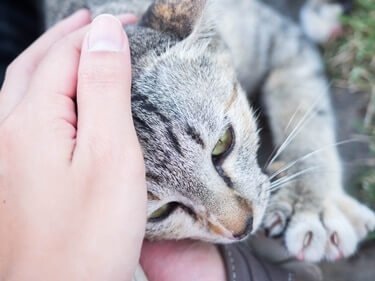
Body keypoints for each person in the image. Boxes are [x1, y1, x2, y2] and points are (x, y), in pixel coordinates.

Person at [0, 7, 322, 281]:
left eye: (221, 146)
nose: (235, 224)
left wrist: (312, 174)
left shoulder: (203, 43)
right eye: (163, 210)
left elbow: (287, 48)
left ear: (210, 46)